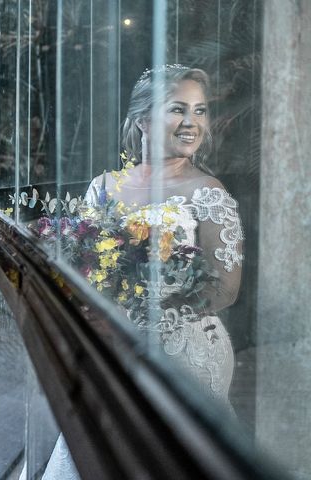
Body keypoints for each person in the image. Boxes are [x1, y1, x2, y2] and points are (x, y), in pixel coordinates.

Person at [86, 64, 243, 406]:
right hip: (110, 349)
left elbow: (224, 288)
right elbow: (86, 264)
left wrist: (143, 322)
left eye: (199, 111)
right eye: (178, 109)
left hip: (184, 354)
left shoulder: (208, 192)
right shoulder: (103, 187)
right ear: (143, 120)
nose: (193, 122)